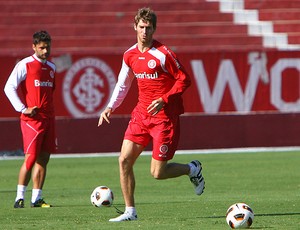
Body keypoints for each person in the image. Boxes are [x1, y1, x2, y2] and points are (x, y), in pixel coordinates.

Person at [98, 8, 205, 222]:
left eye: (149, 28)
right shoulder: (129, 55)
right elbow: (123, 82)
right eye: (141, 27)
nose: (145, 31)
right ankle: (130, 212)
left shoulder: (163, 53)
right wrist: (110, 106)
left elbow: (184, 79)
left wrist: (164, 99)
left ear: (154, 29)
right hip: (141, 115)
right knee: (124, 161)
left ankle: (192, 169)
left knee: (157, 173)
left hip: (164, 118)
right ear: (135, 27)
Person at [4, 30, 56, 208]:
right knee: (31, 157)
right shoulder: (25, 64)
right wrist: (23, 109)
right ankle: (19, 197)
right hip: (32, 120)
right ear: (34, 47)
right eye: (41, 47)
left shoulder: (51, 67)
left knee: (44, 158)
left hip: (49, 119)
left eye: (47, 47)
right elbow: (9, 87)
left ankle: (37, 198)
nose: (45, 50)